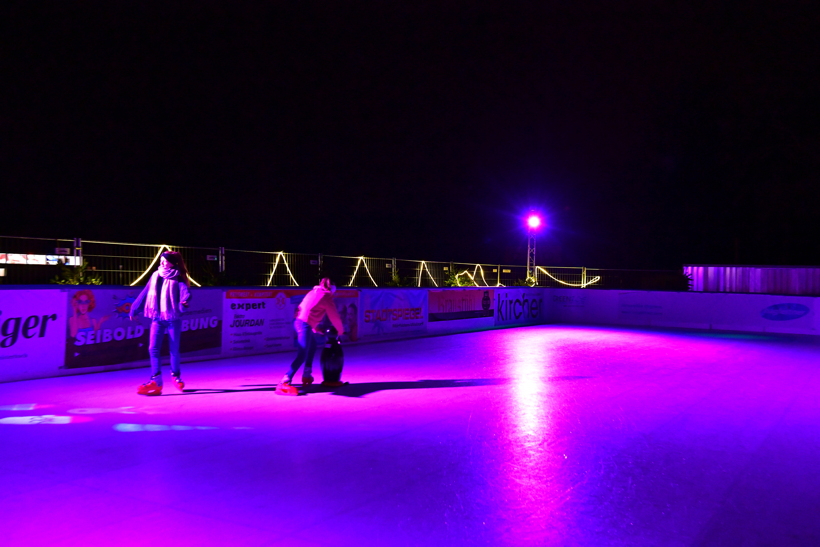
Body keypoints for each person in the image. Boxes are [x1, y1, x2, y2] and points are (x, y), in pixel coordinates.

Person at [129, 251, 191, 396]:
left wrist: (185, 301)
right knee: (153, 349)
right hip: (157, 317)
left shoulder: (178, 278)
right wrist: (134, 308)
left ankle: (176, 376)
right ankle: (156, 382)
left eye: (165, 260)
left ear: (172, 263)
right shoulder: (155, 275)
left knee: (174, 349)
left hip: (172, 318)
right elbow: (145, 292)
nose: (162, 262)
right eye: (161, 260)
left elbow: (185, 292)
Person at [279, 277, 344, 392]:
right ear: (332, 288)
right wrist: (340, 330)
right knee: (303, 353)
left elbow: (308, 309)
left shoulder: (314, 292)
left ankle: (307, 374)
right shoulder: (327, 296)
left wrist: (314, 327)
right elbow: (334, 316)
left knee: (312, 347)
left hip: (299, 322)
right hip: (303, 324)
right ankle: (285, 379)